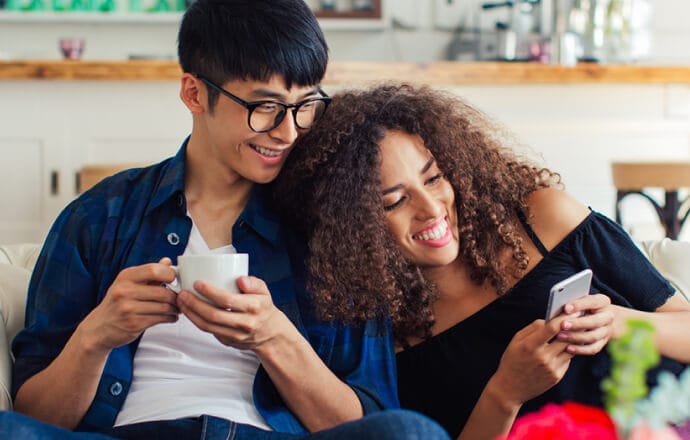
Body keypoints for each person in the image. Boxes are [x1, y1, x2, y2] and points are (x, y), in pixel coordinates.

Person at [6, 4, 450, 440]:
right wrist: (97, 335)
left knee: (412, 432)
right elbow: (35, 415)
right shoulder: (99, 216)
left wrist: (274, 338)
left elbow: (370, 418)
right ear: (194, 93)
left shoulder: (330, 225)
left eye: (304, 105)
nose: (288, 132)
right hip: (134, 432)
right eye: (266, 107)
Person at [274, 83, 690, 439]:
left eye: (434, 178)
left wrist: (618, 323)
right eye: (395, 201)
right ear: (351, 230)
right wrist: (506, 392)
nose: (431, 208)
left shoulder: (543, 219)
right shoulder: (387, 335)